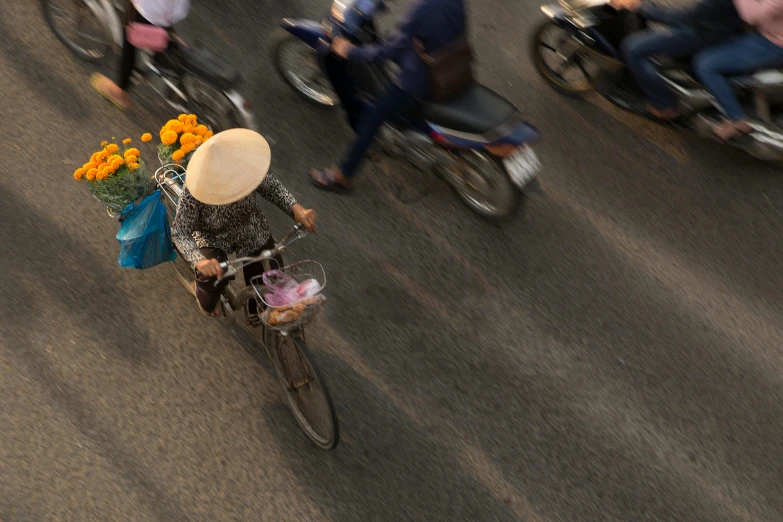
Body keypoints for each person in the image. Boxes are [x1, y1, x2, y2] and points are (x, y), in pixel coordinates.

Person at [309, 0, 466, 192]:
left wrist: (351, 51)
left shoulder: (425, 7)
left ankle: (343, 175)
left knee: (372, 118)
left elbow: (389, 50)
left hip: (420, 81)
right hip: (447, 62)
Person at [171, 129, 317, 317]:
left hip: (250, 227)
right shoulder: (194, 189)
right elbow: (180, 232)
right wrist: (199, 260)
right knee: (212, 288)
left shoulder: (246, 167)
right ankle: (201, 290)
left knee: (272, 273)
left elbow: (271, 187)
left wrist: (296, 208)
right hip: (210, 235)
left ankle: (261, 314)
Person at [615, 0, 741, 120]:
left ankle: (663, 106)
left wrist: (640, 6)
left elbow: (685, 17)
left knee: (631, 48)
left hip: (706, 33)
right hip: (708, 24)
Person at [692, 0, 783, 140]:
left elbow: (753, 16)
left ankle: (737, 119)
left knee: (706, 65)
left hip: (772, 43)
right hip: (765, 33)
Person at [91, 0, 190, 110]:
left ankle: (119, 91)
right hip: (165, 19)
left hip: (145, 13)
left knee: (128, 43)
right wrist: (165, 19)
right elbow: (181, 11)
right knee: (162, 39)